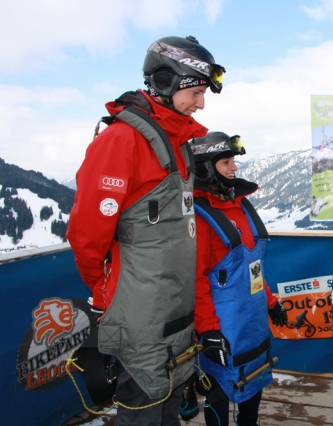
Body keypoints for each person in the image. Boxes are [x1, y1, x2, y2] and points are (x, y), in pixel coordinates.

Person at [66, 35, 225, 425]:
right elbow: (87, 235)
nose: (201, 104)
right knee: (142, 409)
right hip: (141, 320)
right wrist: (107, 294)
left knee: (169, 404)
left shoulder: (181, 143)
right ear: (167, 80)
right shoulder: (122, 141)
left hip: (176, 317)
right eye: (197, 92)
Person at [190, 131, 287, 426]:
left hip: (253, 319)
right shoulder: (198, 215)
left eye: (233, 161)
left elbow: (251, 265)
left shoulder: (241, 205)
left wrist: (270, 302)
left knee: (254, 376)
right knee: (219, 387)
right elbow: (194, 280)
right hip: (224, 324)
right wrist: (208, 331)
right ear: (206, 166)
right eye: (227, 162)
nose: (234, 168)